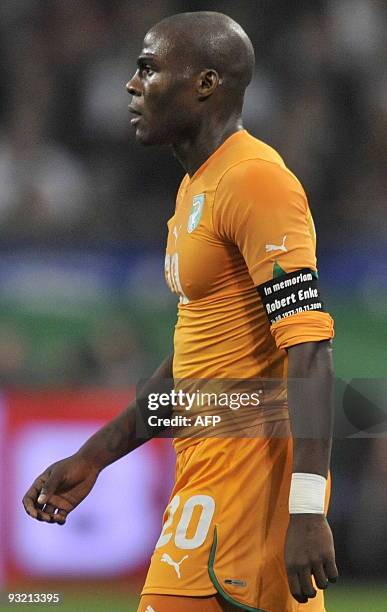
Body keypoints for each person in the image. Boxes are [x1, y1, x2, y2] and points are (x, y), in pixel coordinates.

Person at [23, 11, 338, 612]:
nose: (131, 84)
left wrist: (305, 509)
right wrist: (95, 455)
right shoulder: (196, 190)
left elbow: (310, 348)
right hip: (208, 482)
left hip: (246, 499)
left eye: (148, 67)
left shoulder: (255, 182)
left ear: (205, 83)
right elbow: (196, 363)